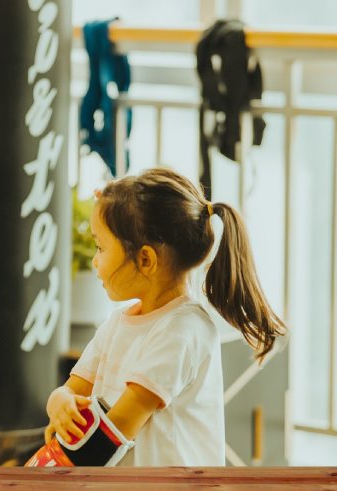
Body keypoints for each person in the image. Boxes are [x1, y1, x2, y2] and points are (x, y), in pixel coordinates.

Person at [33, 167, 286, 466]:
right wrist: (59, 402)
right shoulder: (118, 322)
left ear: (145, 259)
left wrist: (43, 469)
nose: (94, 260)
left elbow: (110, 438)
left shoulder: (183, 330)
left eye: (101, 247)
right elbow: (72, 388)